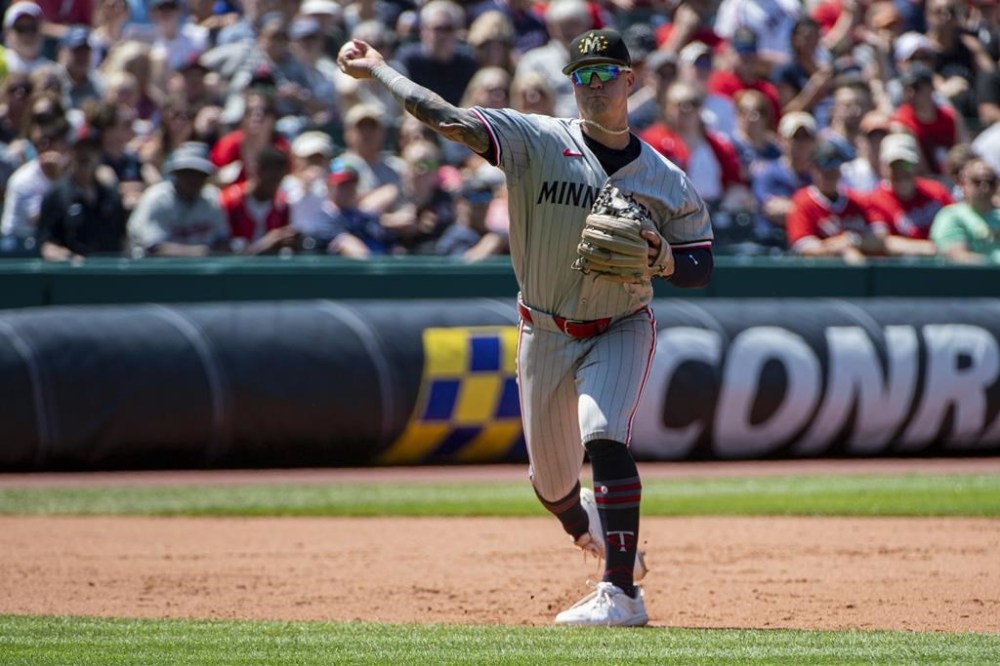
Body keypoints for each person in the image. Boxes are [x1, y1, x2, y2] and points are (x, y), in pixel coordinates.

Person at [337, 27, 714, 626]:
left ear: (629, 81)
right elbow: (447, 119)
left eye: (605, 74)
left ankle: (621, 592)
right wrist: (380, 70)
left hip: (621, 322)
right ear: (571, 85)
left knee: (604, 430)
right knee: (551, 486)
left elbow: (701, 263)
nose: (594, 85)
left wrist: (665, 258)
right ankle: (588, 523)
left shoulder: (664, 176)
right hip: (544, 328)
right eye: (582, 76)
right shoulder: (535, 140)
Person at [36, 125, 128, 260]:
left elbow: (123, 240)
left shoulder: (110, 195)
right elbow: (46, 245)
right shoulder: (57, 195)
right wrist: (71, 258)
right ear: (69, 153)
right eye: (79, 148)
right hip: (71, 275)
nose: (85, 153)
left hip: (109, 273)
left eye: (91, 149)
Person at [128, 141, 230, 256]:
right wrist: (200, 252)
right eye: (187, 173)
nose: (193, 179)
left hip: (200, 271)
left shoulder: (212, 198)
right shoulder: (157, 199)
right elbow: (155, 248)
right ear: (176, 174)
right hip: (152, 270)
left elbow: (222, 239)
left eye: (199, 174)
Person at [786, 139, 878, 261]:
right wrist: (842, 248)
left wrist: (852, 240)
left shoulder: (857, 201)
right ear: (812, 168)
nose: (830, 174)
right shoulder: (802, 202)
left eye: (834, 168)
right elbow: (807, 250)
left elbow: (880, 239)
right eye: (824, 168)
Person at [867, 132, 952, 256]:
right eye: (894, 165)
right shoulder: (876, 200)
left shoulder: (937, 191)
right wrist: (932, 248)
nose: (900, 171)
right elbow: (882, 242)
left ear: (916, 165)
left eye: (905, 164)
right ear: (883, 167)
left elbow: (956, 221)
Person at [931, 158, 1000, 263]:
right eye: (977, 181)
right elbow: (957, 257)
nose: (984, 187)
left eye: (990, 182)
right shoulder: (951, 216)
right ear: (963, 184)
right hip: (972, 278)